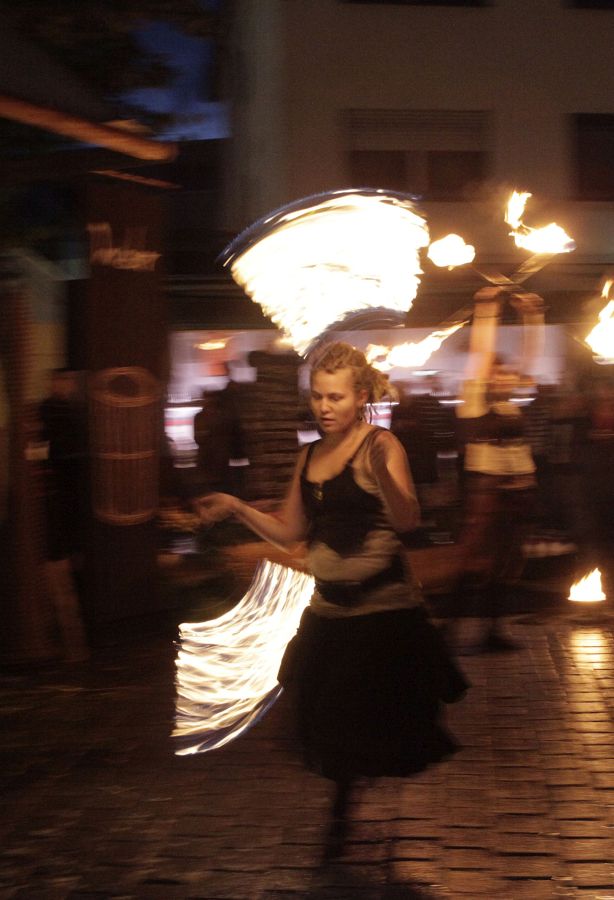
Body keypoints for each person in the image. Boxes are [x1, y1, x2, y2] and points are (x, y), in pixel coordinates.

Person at [196, 341, 468, 860]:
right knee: (323, 717)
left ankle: (341, 814)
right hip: (328, 611)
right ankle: (345, 802)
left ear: (360, 396)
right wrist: (235, 507)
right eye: (318, 396)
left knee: (357, 720)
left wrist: (382, 472)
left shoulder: (381, 445)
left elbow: (407, 520)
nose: (324, 407)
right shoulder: (309, 456)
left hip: (381, 611)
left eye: (335, 397)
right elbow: (290, 533)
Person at [450, 286, 543, 653]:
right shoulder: (474, 401)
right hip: (488, 493)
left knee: (507, 563)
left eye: (506, 374)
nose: (504, 378)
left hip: (518, 492)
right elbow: (480, 353)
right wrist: (486, 310)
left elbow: (529, 358)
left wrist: (532, 315)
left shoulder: (510, 406)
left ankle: (492, 631)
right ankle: (451, 631)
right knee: (475, 561)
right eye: (497, 374)